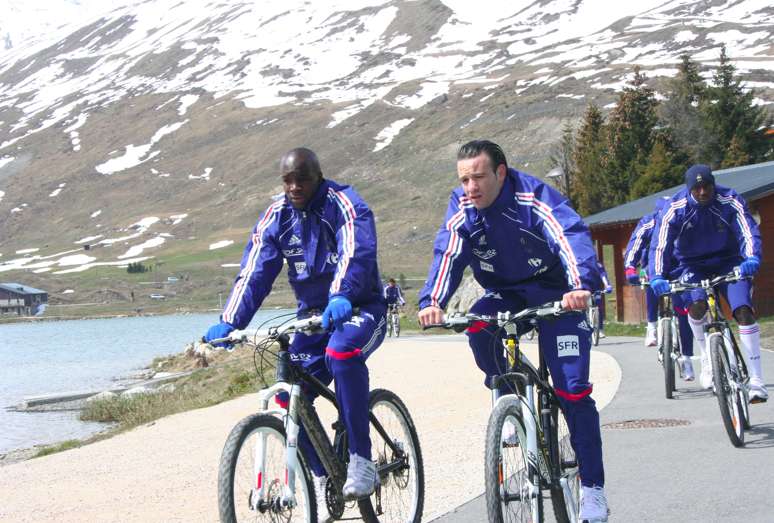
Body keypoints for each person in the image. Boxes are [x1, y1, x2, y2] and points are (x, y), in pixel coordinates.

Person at [417, 140, 609, 521]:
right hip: (505, 294)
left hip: (559, 293)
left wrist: (579, 284)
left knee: (572, 389)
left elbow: (569, 236)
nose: (470, 187)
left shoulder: (533, 197)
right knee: (477, 327)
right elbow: (449, 251)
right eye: (464, 179)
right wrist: (431, 301)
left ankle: (593, 489)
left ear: (500, 173)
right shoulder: (463, 207)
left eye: (478, 177)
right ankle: (509, 391)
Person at [203, 148, 388, 514]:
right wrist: (231, 320)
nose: (294, 187)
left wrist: (343, 294)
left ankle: (361, 460)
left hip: (360, 306)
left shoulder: (346, 204)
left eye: (301, 179)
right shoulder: (277, 216)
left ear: (318, 176)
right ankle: (322, 475)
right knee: (288, 395)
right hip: (312, 315)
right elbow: (256, 269)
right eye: (287, 180)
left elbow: (357, 253)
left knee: (342, 354)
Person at [648, 164, 766, 401]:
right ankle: (706, 356)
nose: (703, 192)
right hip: (692, 265)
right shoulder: (675, 209)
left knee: (743, 311)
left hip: (729, 261)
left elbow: (747, 230)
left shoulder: (729, 199)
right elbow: (660, 245)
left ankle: (756, 380)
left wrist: (752, 257)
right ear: (690, 189)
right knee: (697, 306)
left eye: (707, 186)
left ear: (713, 184)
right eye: (697, 188)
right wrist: (657, 275)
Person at [625, 197, 696, 380]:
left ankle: (687, 359)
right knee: (650, 284)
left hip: (679, 267)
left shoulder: (681, 219)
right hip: (654, 267)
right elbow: (635, 242)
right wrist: (630, 267)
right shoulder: (649, 222)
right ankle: (652, 325)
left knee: (683, 311)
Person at [594, 261, 613, 339]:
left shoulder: (597, 264)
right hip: (583, 288)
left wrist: (607, 286)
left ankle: (600, 329)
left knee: (598, 307)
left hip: (596, 288)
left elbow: (603, 275)